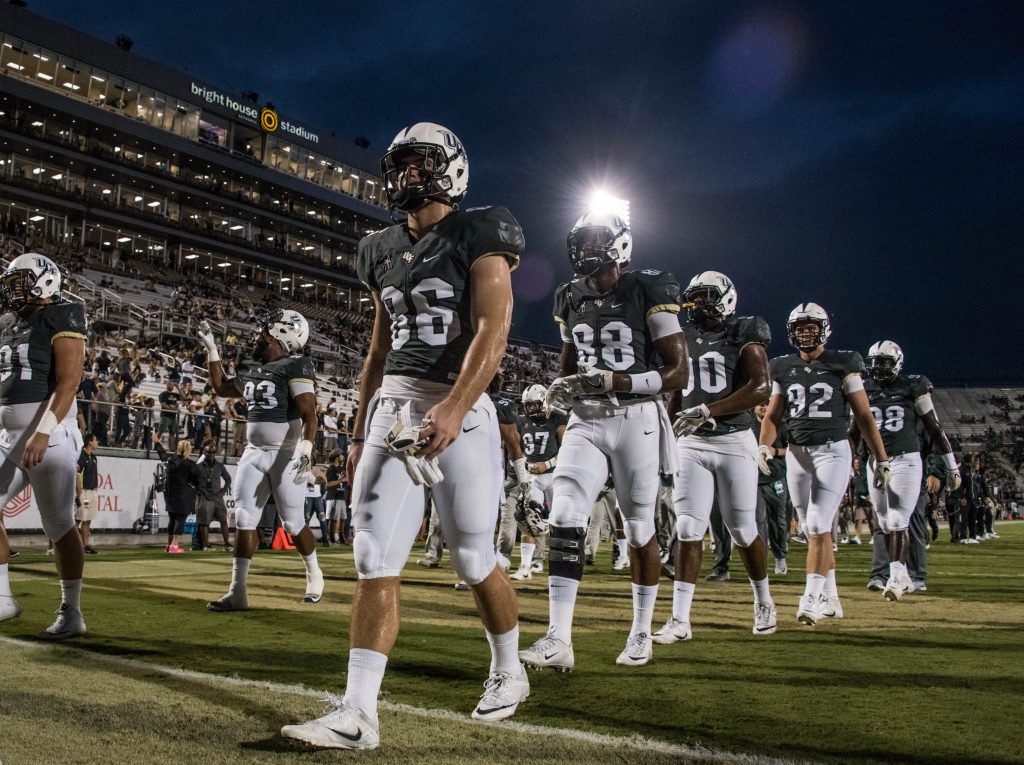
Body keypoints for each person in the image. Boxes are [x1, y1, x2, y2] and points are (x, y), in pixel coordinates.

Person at [282, 122, 527, 749]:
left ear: (451, 167)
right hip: (394, 406)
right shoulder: (378, 248)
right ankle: (358, 714)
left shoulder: (482, 231)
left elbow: (492, 332)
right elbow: (378, 347)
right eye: (399, 165)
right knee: (372, 555)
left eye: (420, 164)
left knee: (474, 558)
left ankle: (509, 668)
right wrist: (363, 427)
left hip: (460, 405)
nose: (405, 176)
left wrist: (453, 406)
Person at [519, 208, 687, 671]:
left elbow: (678, 372)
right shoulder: (567, 296)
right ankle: (558, 638)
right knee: (566, 512)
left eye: (598, 240)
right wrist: (564, 388)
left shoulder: (647, 288)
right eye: (583, 240)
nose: (588, 249)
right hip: (586, 418)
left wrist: (618, 381)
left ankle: (640, 631)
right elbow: (568, 362)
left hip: (636, 418)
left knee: (638, 528)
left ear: (620, 245)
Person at [655, 271, 775, 643]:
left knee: (742, 530)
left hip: (735, 439)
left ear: (726, 298)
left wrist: (708, 410)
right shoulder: (684, 337)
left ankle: (764, 601)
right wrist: (668, 432)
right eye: (693, 298)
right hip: (692, 441)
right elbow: (676, 391)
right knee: (688, 526)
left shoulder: (744, 332)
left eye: (705, 297)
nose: (697, 305)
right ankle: (679, 619)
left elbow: (761, 388)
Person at [757, 303, 891, 625]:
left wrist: (881, 457)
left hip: (832, 451)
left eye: (810, 327)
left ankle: (811, 597)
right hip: (797, 454)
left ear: (823, 329)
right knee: (810, 528)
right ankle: (831, 599)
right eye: (800, 328)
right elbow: (773, 416)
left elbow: (863, 416)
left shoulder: (844, 363)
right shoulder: (782, 367)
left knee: (818, 525)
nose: (805, 332)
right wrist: (763, 445)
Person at [198, 309, 326, 608]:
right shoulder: (253, 366)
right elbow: (221, 388)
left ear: (279, 334)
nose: (257, 337)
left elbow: (310, 414)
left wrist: (306, 452)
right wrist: (212, 350)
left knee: (293, 523)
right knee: (244, 519)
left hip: (286, 453)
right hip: (254, 452)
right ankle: (237, 590)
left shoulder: (296, 364)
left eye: (263, 332)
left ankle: (314, 573)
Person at [0, 253, 89, 639]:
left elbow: (68, 382)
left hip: (49, 434)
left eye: (20, 280)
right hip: (8, 437)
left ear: (44, 281)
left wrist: (43, 431)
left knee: (58, 524)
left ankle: (72, 610)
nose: (12, 288)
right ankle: (3, 597)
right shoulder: (9, 323)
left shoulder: (64, 313)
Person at [858, 341, 960, 600]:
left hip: (906, 459)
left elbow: (934, 429)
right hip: (875, 461)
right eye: (876, 362)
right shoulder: (863, 388)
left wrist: (950, 466)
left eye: (885, 362)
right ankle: (901, 574)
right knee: (883, 522)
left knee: (898, 520)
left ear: (897, 364)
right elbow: (854, 431)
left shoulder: (913, 386)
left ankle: (896, 577)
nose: (879, 368)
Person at [509, 384, 567, 581]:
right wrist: (524, 464)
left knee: (560, 521)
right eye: (527, 405)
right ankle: (525, 566)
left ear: (543, 401)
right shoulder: (520, 422)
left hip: (554, 475)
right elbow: (515, 449)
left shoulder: (556, 418)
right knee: (528, 518)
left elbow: (568, 449)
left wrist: (547, 464)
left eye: (533, 405)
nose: (529, 409)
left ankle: (561, 565)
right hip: (532, 477)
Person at [754, 403, 789, 574]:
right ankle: (760, 559)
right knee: (757, 520)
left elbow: (790, 450)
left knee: (778, 520)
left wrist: (774, 451)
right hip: (754, 480)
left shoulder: (780, 425)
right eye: (759, 404)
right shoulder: (748, 426)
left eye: (766, 404)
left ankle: (780, 557)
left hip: (776, 477)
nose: (763, 407)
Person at [153, 434, 200, 553]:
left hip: (169, 494)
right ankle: (174, 544)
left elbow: (161, 454)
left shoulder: (170, 460)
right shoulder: (189, 464)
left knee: (172, 519)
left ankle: (169, 545)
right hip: (182, 495)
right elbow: (197, 480)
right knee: (180, 520)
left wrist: (157, 442)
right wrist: (192, 484)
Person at [195, 438, 233, 551]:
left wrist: (223, 490)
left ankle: (227, 543)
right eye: (208, 452)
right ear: (204, 452)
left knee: (223, 520)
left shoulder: (219, 466)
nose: (211, 454)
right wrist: (205, 493)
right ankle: (206, 544)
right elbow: (196, 482)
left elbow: (228, 479)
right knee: (204, 522)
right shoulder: (199, 466)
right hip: (205, 497)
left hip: (217, 497)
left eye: (213, 452)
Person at [75, 433, 100, 554]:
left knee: (88, 519)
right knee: (80, 518)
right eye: (95, 440)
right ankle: (72, 545)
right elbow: (76, 474)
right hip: (84, 492)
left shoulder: (93, 457)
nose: (97, 442)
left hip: (92, 491)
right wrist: (79, 494)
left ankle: (85, 546)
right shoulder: (81, 456)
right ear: (90, 442)